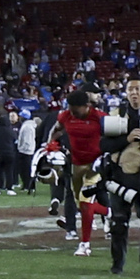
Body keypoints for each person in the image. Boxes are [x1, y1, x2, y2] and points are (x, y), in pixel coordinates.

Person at [97, 78, 140, 278]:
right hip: (120, 175)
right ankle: (117, 264)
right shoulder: (115, 115)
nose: (133, 93)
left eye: (137, 89)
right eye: (130, 90)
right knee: (118, 222)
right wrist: (126, 138)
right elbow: (103, 146)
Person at [51, 88, 103, 252]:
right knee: (81, 202)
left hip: (95, 163)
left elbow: (113, 135)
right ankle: (109, 213)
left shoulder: (99, 117)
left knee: (85, 199)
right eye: (70, 108)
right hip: (76, 163)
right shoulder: (66, 116)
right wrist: (49, 146)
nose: (73, 112)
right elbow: (57, 130)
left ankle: (85, 244)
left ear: (87, 106)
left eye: (76, 109)